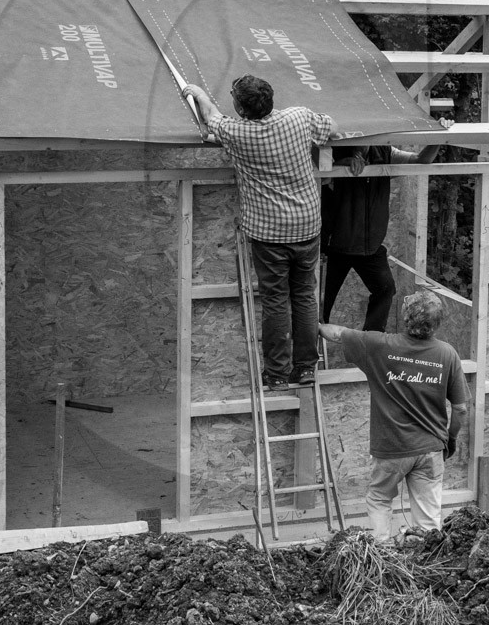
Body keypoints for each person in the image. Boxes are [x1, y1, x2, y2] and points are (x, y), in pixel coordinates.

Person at [182, 75, 339, 391]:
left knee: (276, 300)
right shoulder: (298, 117)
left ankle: (277, 373)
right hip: (307, 225)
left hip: (270, 234)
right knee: (304, 296)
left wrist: (197, 92)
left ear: (241, 109)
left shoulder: (238, 132)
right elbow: (332, 127)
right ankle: (305, 368)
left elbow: (211, 118)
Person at [318, 288, 468, 541]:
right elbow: (461, 409)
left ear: (406, 317)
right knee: (428, 520)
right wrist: (450, 439)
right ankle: (426, 560)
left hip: (391, 447)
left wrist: (314, 324)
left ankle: (381, 555)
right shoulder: (447, 354)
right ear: (437, 323)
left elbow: (337, 334)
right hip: (431, 448)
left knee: (379, 498)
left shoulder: (379, 345)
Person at [321, 116, 454, 333]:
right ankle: (310, 348)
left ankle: (371, 341)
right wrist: (338, 165)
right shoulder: (332, 152)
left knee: (385, 289)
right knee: (318, 305)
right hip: (334, 247)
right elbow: (313, 175)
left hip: (370, 247)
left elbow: (421, 160)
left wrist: (438, 136)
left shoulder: (384, 152)